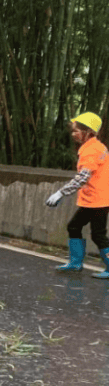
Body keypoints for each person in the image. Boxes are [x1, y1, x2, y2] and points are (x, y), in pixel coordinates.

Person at [45, 112, 109, 279]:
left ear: (88, 132)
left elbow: (82, 178)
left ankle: (78, 263)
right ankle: (75, 263)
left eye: (76, 131)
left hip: (97, 199)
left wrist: (60, 193)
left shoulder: (91, 151)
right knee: (75, 226)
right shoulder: (97, 147)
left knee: (98, 234)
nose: (73, 134)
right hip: (96, 197)